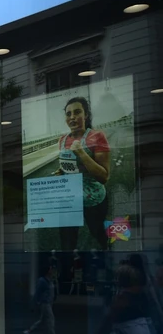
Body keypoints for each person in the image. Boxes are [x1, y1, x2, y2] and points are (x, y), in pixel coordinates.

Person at [54, 97, 111, 251]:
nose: (72, 117)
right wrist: (61, 173)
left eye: (77, 112)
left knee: (98, 233)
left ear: (86, 115)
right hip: (70, 199)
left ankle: (108, 256)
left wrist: (81, 152)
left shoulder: (97, 136)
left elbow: (104, 177)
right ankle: (68, 264)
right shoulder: (62, 140)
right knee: (67, 241)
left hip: (93, 199)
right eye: (68, 114)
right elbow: (68, 166)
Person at [24, 265, 62, 334]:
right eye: (51, 269)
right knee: (51, 319)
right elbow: (37, 293)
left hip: (49, 303)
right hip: (45, 303)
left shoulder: (50, 280)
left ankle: (28, 332)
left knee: (42, 321)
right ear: (47, 271)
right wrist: (34, 303)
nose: (52, 270)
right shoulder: (42, 281)